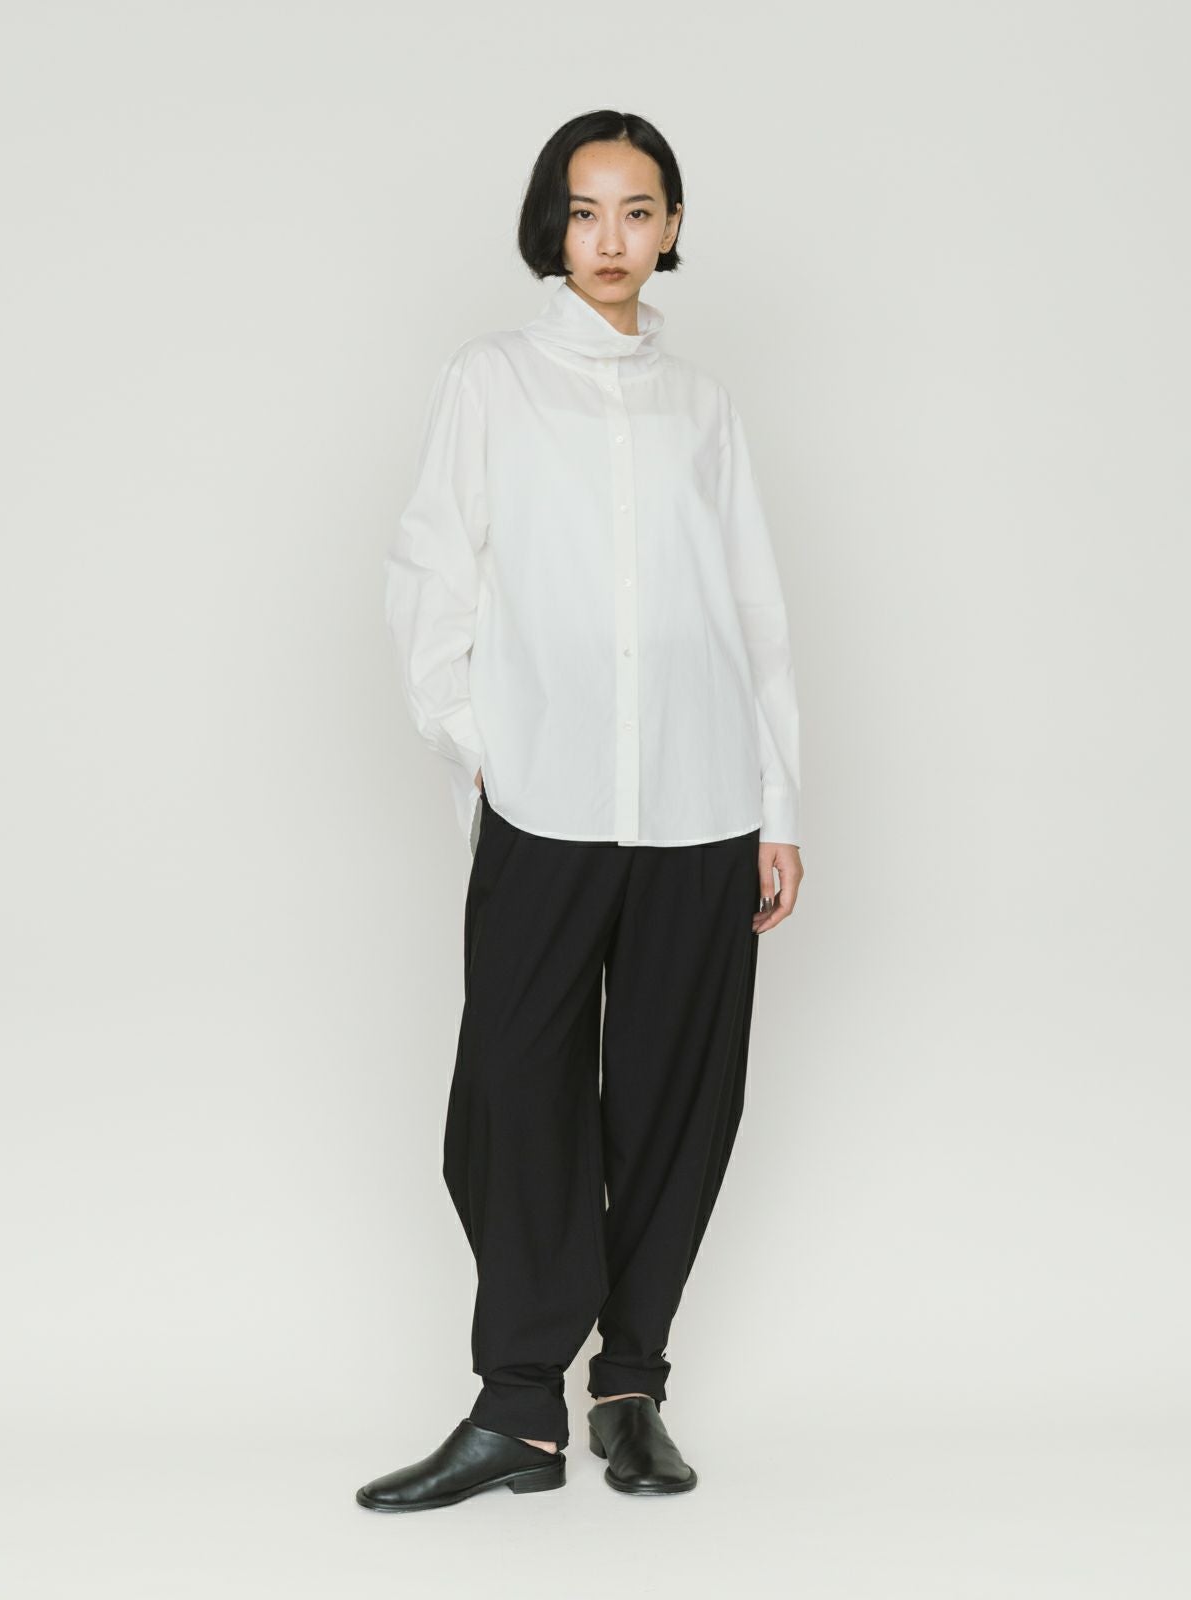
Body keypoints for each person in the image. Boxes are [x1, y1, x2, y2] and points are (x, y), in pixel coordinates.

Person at [356, 108, 803, 1513]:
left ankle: (630, 1391)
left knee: (676, 1098)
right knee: (512, 1086)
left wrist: (778, 801)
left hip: (701, 798)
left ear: (672, 228)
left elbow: (751, 609)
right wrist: (479, 745)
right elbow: (433, 570)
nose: (612, 237)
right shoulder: (493, 378)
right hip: (546, 795)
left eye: (639, 209)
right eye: (586, 209)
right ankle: (515, 1406)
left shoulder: (702, 406)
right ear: (551, 223)